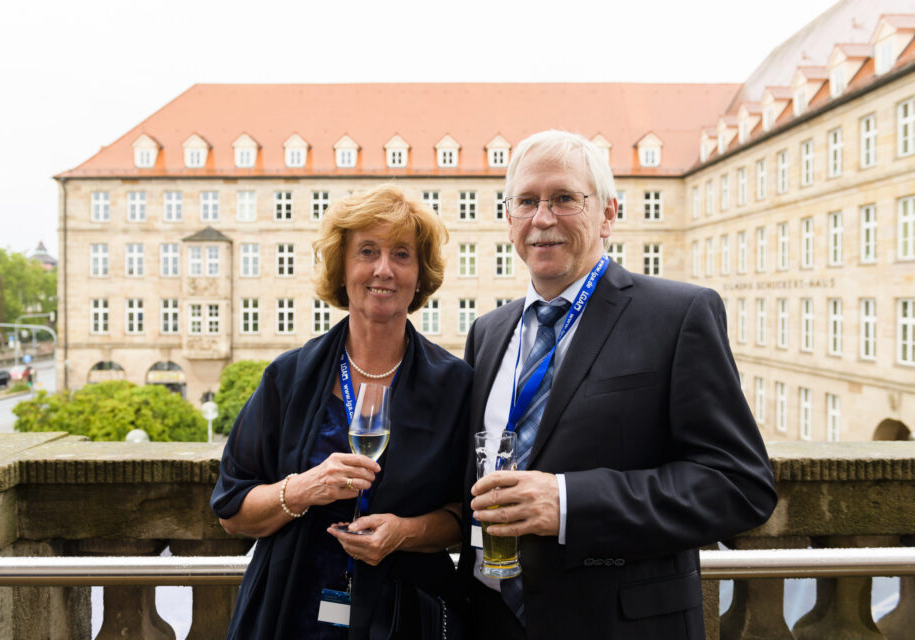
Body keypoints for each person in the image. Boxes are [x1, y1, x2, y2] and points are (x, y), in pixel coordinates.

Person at [461, 130, 777, 639]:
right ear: (509, 219)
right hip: (492, 619)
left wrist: (568, 502)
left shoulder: (678, 315)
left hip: (617, 625)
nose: (543, 218)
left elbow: (738, 485)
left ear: (608, 213)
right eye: (526, 201)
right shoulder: (488, 332)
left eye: (564, 198)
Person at [212, 184, 471, 639]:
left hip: (404, 619)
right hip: (290, 613)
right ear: (343, 266)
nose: (383, 270)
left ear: (419, 273)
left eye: (402, 254)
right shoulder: (288, 377)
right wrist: (304, 488)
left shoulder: (455, 385)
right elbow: (231, 510)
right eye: (367, 251)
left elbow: (467, 514)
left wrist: (404, 532)